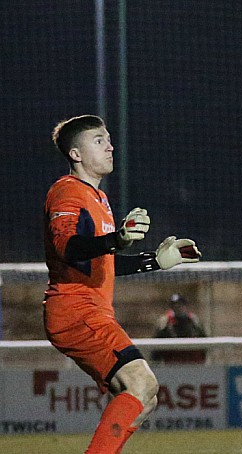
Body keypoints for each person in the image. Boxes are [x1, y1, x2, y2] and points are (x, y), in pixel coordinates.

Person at [43, 115, 201, 453]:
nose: (110, 145)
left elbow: (100, 260)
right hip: (77, 310)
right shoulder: (67, 191)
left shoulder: (98, 198)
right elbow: (67, 247)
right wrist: (115, 239)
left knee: (144, 398)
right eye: (98, 140)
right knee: (142, 383)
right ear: (76, 154)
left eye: (109, 139)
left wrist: (153, 261)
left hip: (91, 311)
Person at [152, 293, 208, 364]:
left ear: (185, 306)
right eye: (175, 305)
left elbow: (204, 341)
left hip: (192, 361)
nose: (178, 307)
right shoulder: (165, 322)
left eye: (180, 305)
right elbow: (156, 345)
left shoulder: (194, 321)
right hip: (172, 362)